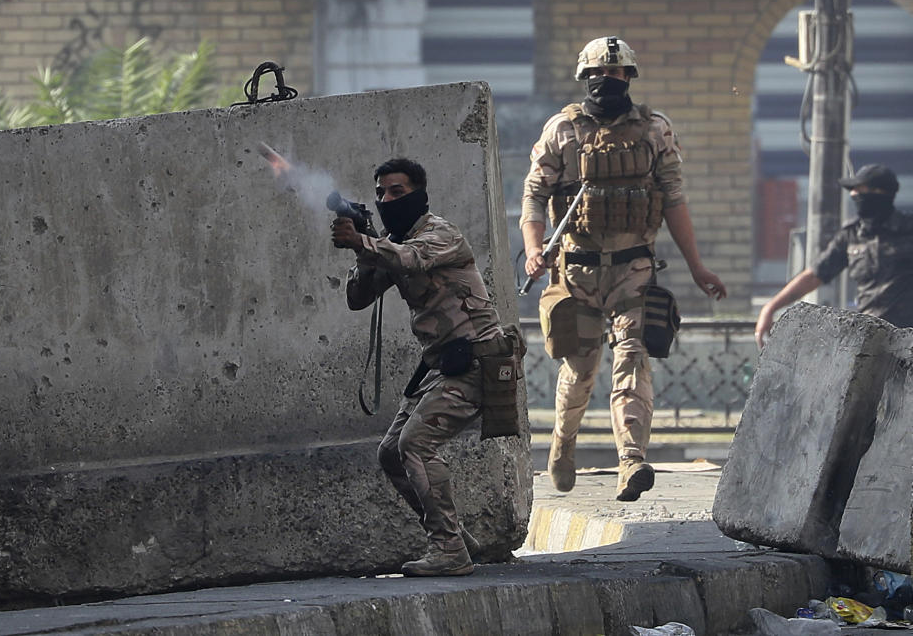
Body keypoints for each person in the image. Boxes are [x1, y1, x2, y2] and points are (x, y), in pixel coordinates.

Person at [520, 36, 726, 501]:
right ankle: (563, 442)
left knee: (633, 355)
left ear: (628, 77)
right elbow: (533, 196)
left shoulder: (655, 130)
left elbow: (673, 198)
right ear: (583, 78)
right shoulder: (563, 131)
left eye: (614, 73)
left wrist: (698, 268)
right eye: (596, 74)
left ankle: (631, 459)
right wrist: (535, 249)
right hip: (578, 270)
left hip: (633, 266)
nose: (604, 80)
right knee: (581, 368)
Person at [331, 158, 513, 577]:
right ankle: (452, 537)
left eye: (396, 191)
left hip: (478, 359)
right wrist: (365, 252)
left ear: (419, 193)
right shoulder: (392, 244)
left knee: (414, 444)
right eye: (380, 193)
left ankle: (449, 549)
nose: (386, 199)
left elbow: (411, 259)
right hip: (441, 365)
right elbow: (359, 298)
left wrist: (364, 242)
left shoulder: (441, 235)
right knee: (392, 454)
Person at [755, 163, 913, 347]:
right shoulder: (851, 235)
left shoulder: (908, 229)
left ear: (882, 192)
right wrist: (770, 307)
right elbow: (815, 275)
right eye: (852, 190)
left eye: (861, 190)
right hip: (873, 339)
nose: (854, 195)